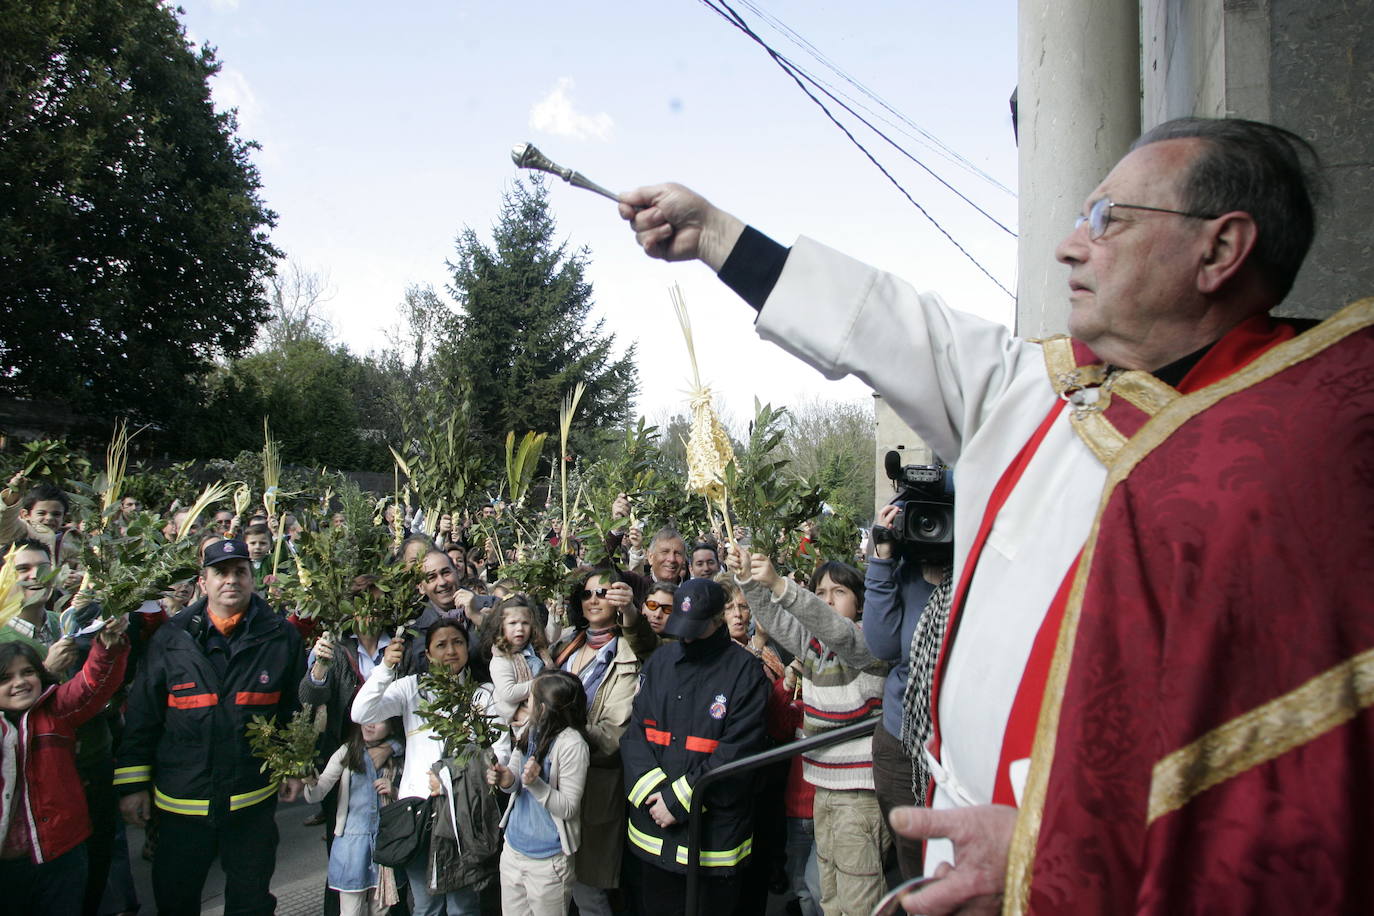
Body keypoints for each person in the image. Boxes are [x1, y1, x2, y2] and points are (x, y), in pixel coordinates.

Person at [620, 117, 1374, 913]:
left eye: (1107, 220)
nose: (1071, 246)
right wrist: (716, 236)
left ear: (1220, 250)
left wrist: (1054, 852)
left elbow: (1283, 793)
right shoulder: (1041, 393)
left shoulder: (1307, 470)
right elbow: (884, 323)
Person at [115, 537, 306, 916]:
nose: (230, 580)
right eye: (220, 572)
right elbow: (143, 716)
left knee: (251, 902)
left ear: (253, 578)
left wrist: (294, 766)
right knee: (175, 899)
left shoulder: (280, 636)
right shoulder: (172, 639)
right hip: (182, 802)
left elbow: (292, 710)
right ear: (203, 581)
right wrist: (133, 784)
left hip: (250, 799)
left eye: (240, 572)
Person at [729, 551, 891, 916]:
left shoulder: (870, 643)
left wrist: (780, 584)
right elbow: (774, 619)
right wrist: (746, 580)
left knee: (861, 899)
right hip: (823, 787)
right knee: (828, 896)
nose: (828, 600)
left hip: (860, 793)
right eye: (820, 592)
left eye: (839, 592)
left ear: (860, 602)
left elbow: (834, 628)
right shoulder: (815, 646)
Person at [621, 577, 769, 915]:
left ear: (718, 619)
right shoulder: (660, 662)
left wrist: (679, 800)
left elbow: (738, 753)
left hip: (713, 841)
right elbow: (636, 735)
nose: (685, 634)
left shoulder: (745, 671)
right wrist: (655, 795)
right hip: (652, 831)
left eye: (696, 626)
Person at [351, 618, 491, 915]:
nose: (451, 651)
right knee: (425, 905)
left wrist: (454, 778)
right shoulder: (411, 689)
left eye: (458, 642)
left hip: (462, 812)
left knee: (462, 905)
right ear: (427, 654)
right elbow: (361, 712)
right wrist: (385, 669)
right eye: (441, 645)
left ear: (468, 648)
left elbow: (495, 755)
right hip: (418, 813)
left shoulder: (482, 694)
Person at [0, 615, 129, 916]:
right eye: (6, 678)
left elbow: (92, 685)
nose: (19, 683)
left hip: (61, 855)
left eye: (28, 672)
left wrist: (108, 646)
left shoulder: (55, 709)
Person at [550, 566, 659, 915]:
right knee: (555, 886)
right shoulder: (565, 644)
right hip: (553, 781)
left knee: (590, 891)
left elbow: (612, 736)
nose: (594, 600)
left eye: (603, 592)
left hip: (596, 782)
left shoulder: (633, 649)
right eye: (587, 594)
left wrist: (630, 612)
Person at [861, 502, 943, 881]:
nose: (935, 527)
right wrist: (882, 560)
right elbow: (881, 646)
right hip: (902, 747)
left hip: (962, 747)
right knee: (916, 871)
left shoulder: (982, 574)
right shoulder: (905, 574)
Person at [487, 669, 591, 916]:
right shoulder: (529, 730)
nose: (526, 702)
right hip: (513, 849)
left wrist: (536, 784)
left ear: (543, 708)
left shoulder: (573, 744)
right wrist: (505, 778)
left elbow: (568, 807)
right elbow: (514, 778)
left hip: (549, 862)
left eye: (531, 698)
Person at [303, 718, 405, 916]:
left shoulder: (399, 753)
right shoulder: (347, 750)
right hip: (352, 842)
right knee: (350, 911)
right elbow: (318, 792)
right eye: (366, 719)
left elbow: (413, 794)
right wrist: (310, 781)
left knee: (381, 911)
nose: (370, 725)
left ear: (392, 725)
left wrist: (394, 791)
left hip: (385, 841)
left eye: (379, 721)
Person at [488, 594, 553, 728]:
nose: (520, 628)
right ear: (501, 627)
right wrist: (543, 682)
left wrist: (555, 618)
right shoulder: (501, 659)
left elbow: (551, 636)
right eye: (512, 623)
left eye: (525, 623)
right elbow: (509, 693)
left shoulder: (534, 649)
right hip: (521, 719)